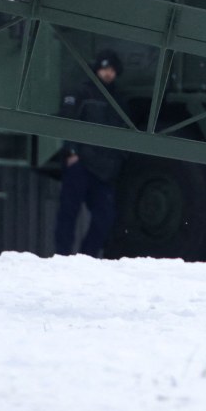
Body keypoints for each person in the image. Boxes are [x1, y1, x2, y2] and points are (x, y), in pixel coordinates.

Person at [55, 50, 127, 257]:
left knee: (105, 217)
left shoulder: (119, 100)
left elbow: (124, 132)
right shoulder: (81, 93)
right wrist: (72, 152)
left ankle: (87, 258)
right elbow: (67, 122)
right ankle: (62, 257)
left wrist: (117, 160)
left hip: (104, 170)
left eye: (112, 70)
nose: (108, 74)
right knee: (68, 214)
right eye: (104, 69)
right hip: (80, 164)